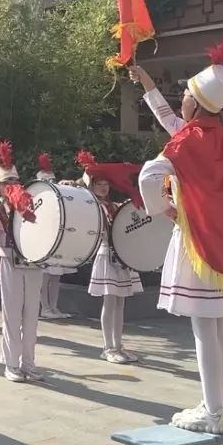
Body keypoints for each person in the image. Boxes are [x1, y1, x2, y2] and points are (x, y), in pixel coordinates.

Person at [135, 24, 223, 434]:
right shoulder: (216, 136)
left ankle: (214, 413)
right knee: (218, 329)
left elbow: (150, 173)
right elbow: (174, 123)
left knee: (205, 330)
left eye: (183, 95)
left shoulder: (187, 143)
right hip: (221, 235)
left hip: (197, 239)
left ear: (196, 105)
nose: (179, 99)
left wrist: (160, 207)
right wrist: (148, 86)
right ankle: (220, 406)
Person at [0, 141, 43, 383]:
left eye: (13, 182)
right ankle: (11, 364)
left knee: (31, 316)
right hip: (9, 263)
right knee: (12, 315)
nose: (10, 186)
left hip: (33, 263)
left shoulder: (31, 203)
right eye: (5, 183)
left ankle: (29, 363)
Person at [77, 150, 144, 364]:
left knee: (120, 303)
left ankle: (118, 344)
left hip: (122, 257)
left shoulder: (115, 206)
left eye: (106, 183)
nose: (104, 187)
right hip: (106, 254)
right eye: (99, 184)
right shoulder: (92, 206)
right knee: (109, 301)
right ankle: (108, 347)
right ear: (92, 186)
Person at [33, 154, 72, 320]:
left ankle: (54, 307)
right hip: (43, 241)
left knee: (56, 276)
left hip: (57, 240)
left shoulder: (59, 197)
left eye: (53, 180)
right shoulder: (37, 199)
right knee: (45, 276)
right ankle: (44, 307)